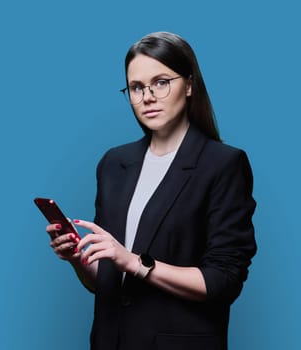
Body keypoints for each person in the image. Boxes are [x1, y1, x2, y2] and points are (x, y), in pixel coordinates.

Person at [46, 31, 256, 350]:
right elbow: (106, 282)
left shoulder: (223, 164)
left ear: (188, 85)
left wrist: (135, 262)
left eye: (161, 82)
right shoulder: (114, 163)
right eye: (136, 87)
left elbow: (223, 281)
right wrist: (78, 258)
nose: (147, 97)